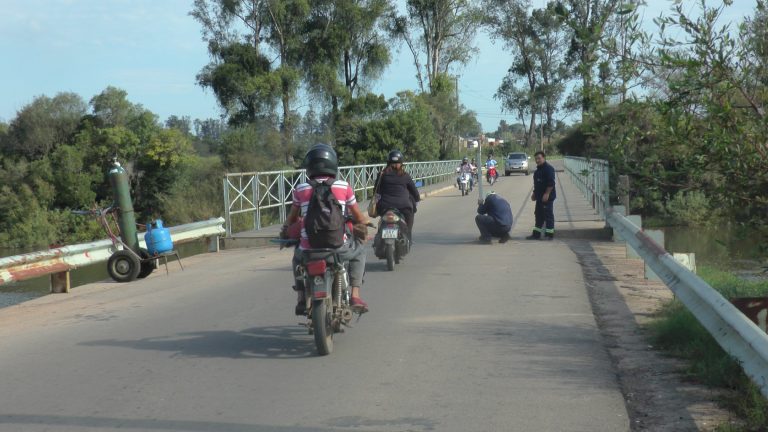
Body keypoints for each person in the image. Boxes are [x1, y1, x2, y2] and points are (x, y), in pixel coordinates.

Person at [281, 144, 370, 315]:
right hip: (338, 248)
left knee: (297, 258)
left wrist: (286, 228)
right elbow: (358, 216)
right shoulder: (344, 187)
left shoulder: (300, 189)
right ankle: (355, 295)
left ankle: (301, 297)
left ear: (309, 166)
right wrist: (365, 224)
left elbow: (292, 218)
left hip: (309, 249)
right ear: (333, 164)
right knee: (359, 251)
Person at [375, 150, 421, 238]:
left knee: (382, 221)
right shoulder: (405, 176)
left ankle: (379, 235)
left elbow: (376, 191)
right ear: (401, 163)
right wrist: (417, 199)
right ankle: (408, 236)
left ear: (388, 163)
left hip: (384, 206)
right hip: (403, 206)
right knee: (410, 217)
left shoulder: (381, 175)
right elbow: (414, 191)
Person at [527, 151, 556, 240]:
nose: (537, 160)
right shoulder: (537, 171)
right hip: (539, 197)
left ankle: (549, 234)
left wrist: (547, 194)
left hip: (547, 197)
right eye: (536, 159)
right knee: (538, 215)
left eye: (539, 158)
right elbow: (537, 184)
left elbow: (551, 183)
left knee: (548, 215)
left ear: (544, 158)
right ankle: (536, 234)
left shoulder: (549, 169)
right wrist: (534, 194)